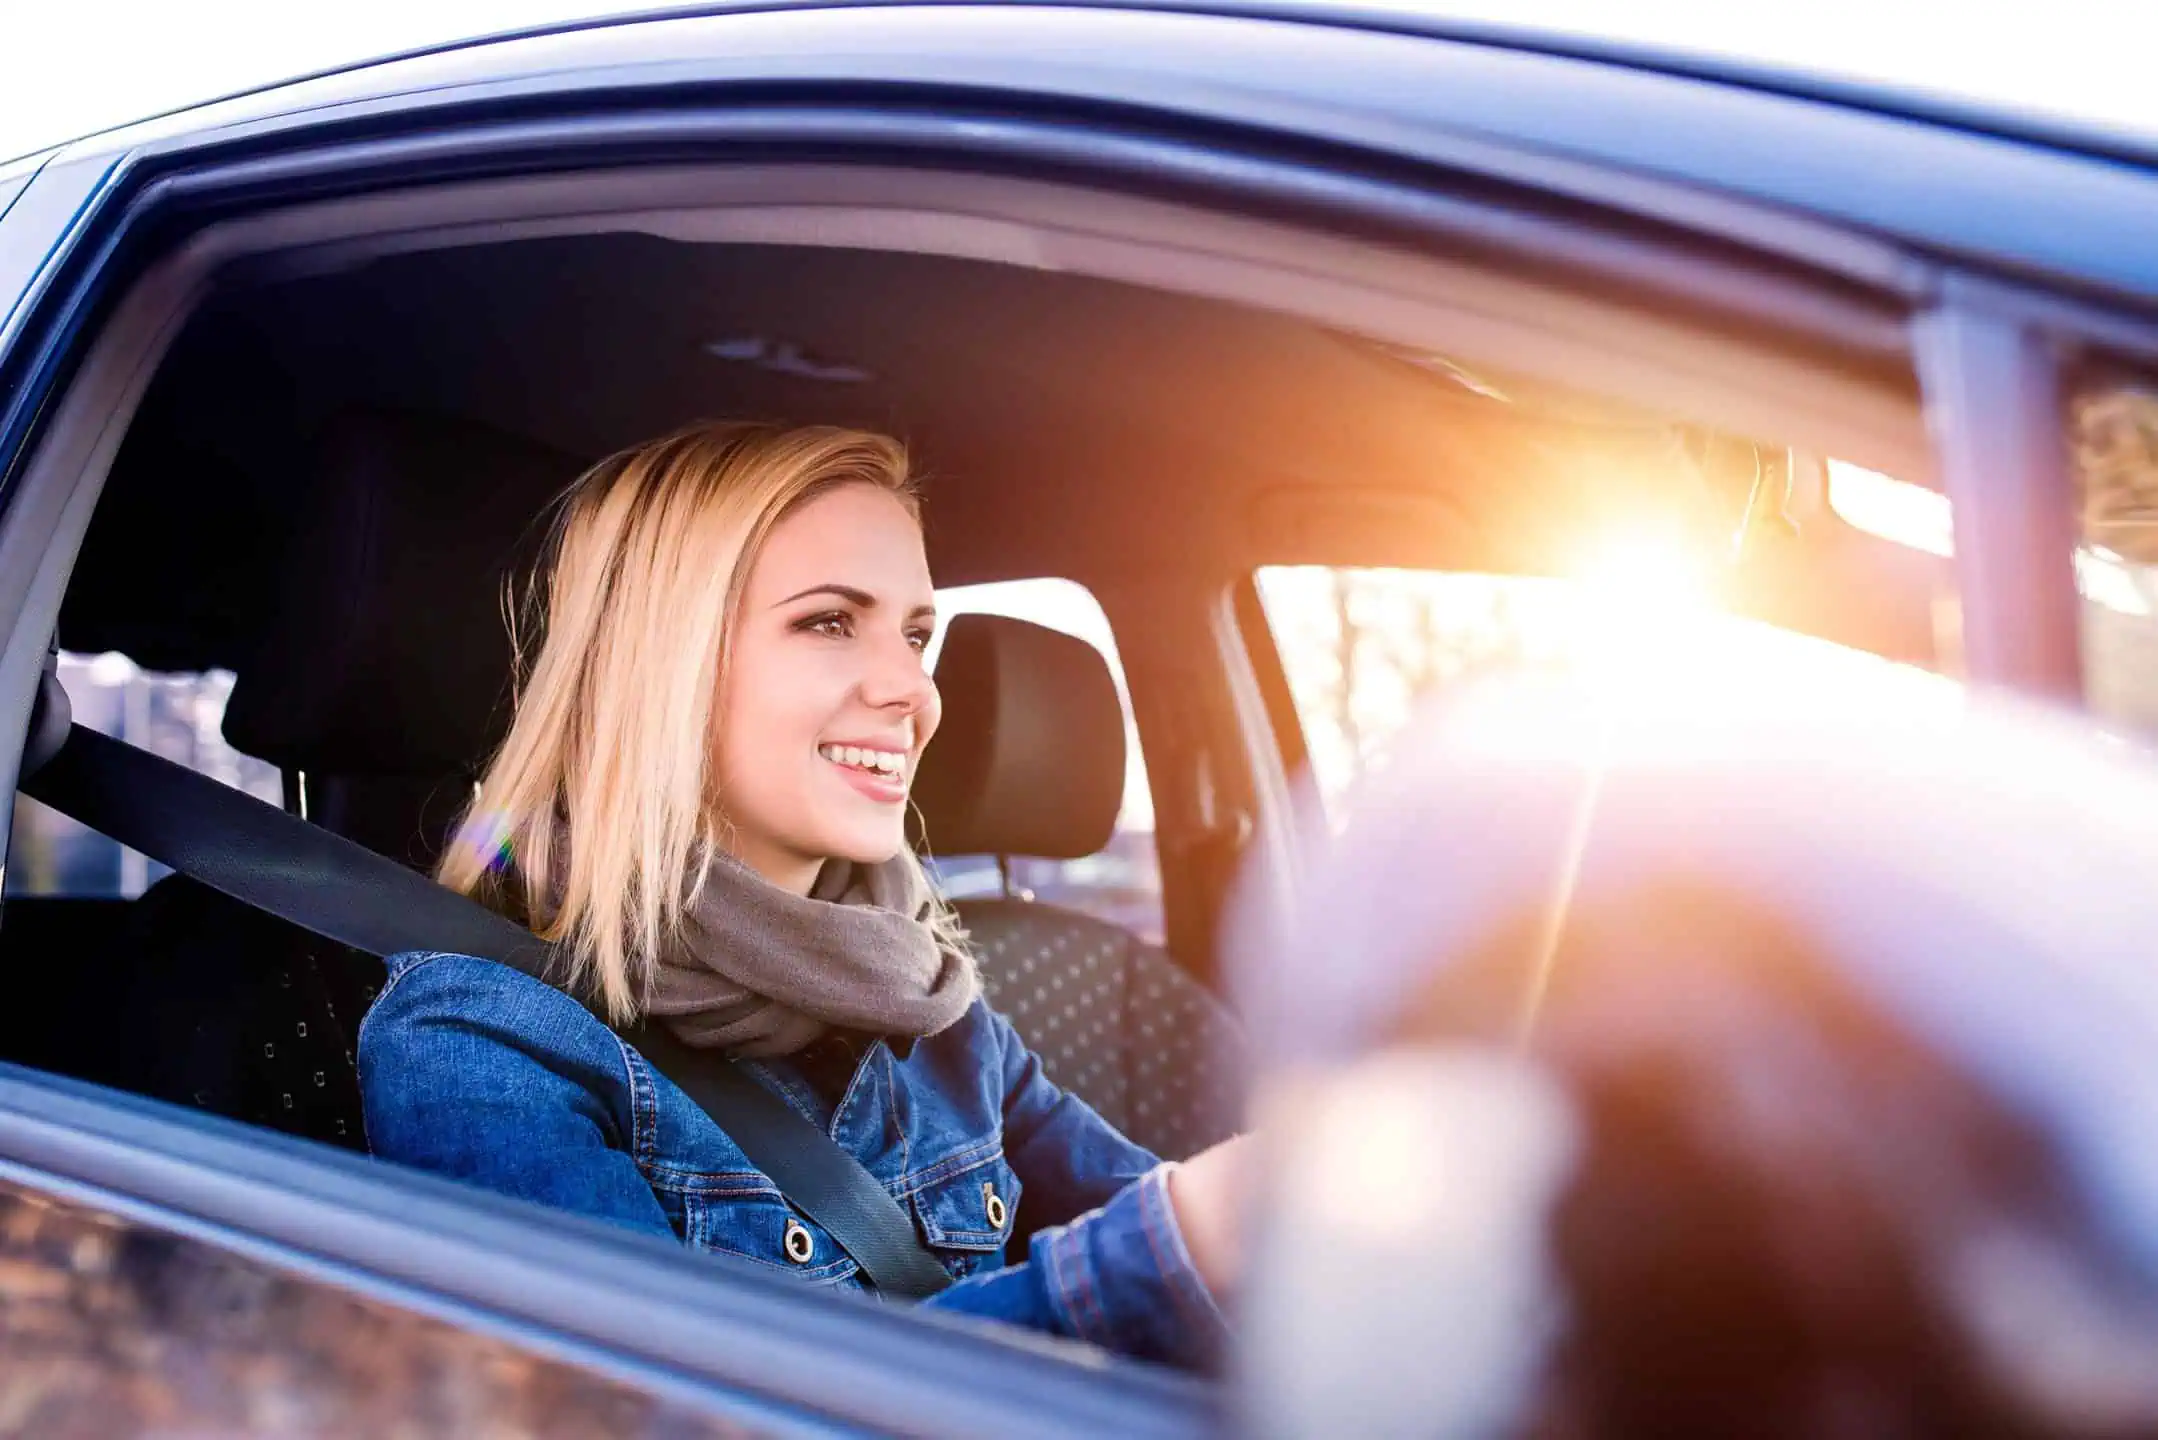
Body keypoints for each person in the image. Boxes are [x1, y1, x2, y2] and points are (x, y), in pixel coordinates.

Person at [358, 421, 1244, 1369]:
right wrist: (1164, 1250)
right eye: (829, 622)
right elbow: (666, 1423)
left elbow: (1181, 1225)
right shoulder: (482, 1042)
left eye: (915, 635)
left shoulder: (931, 1005)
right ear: (667, 670)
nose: (914, 688)